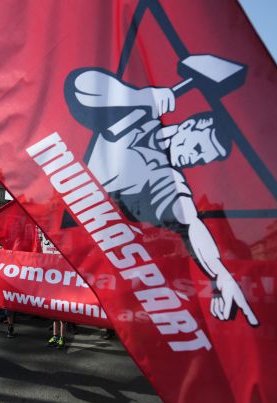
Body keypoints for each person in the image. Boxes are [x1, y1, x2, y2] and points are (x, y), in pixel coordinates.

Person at [65, 67, 259, 327]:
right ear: (190, 125)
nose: (194, 158)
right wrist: (140, 97)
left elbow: (192, 225)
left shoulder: (167, 180)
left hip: (83, 229)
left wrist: (219, 275)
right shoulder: (139, 113)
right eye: (199, 147)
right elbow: (81, 86)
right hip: (60, 205)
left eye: (202, 159)